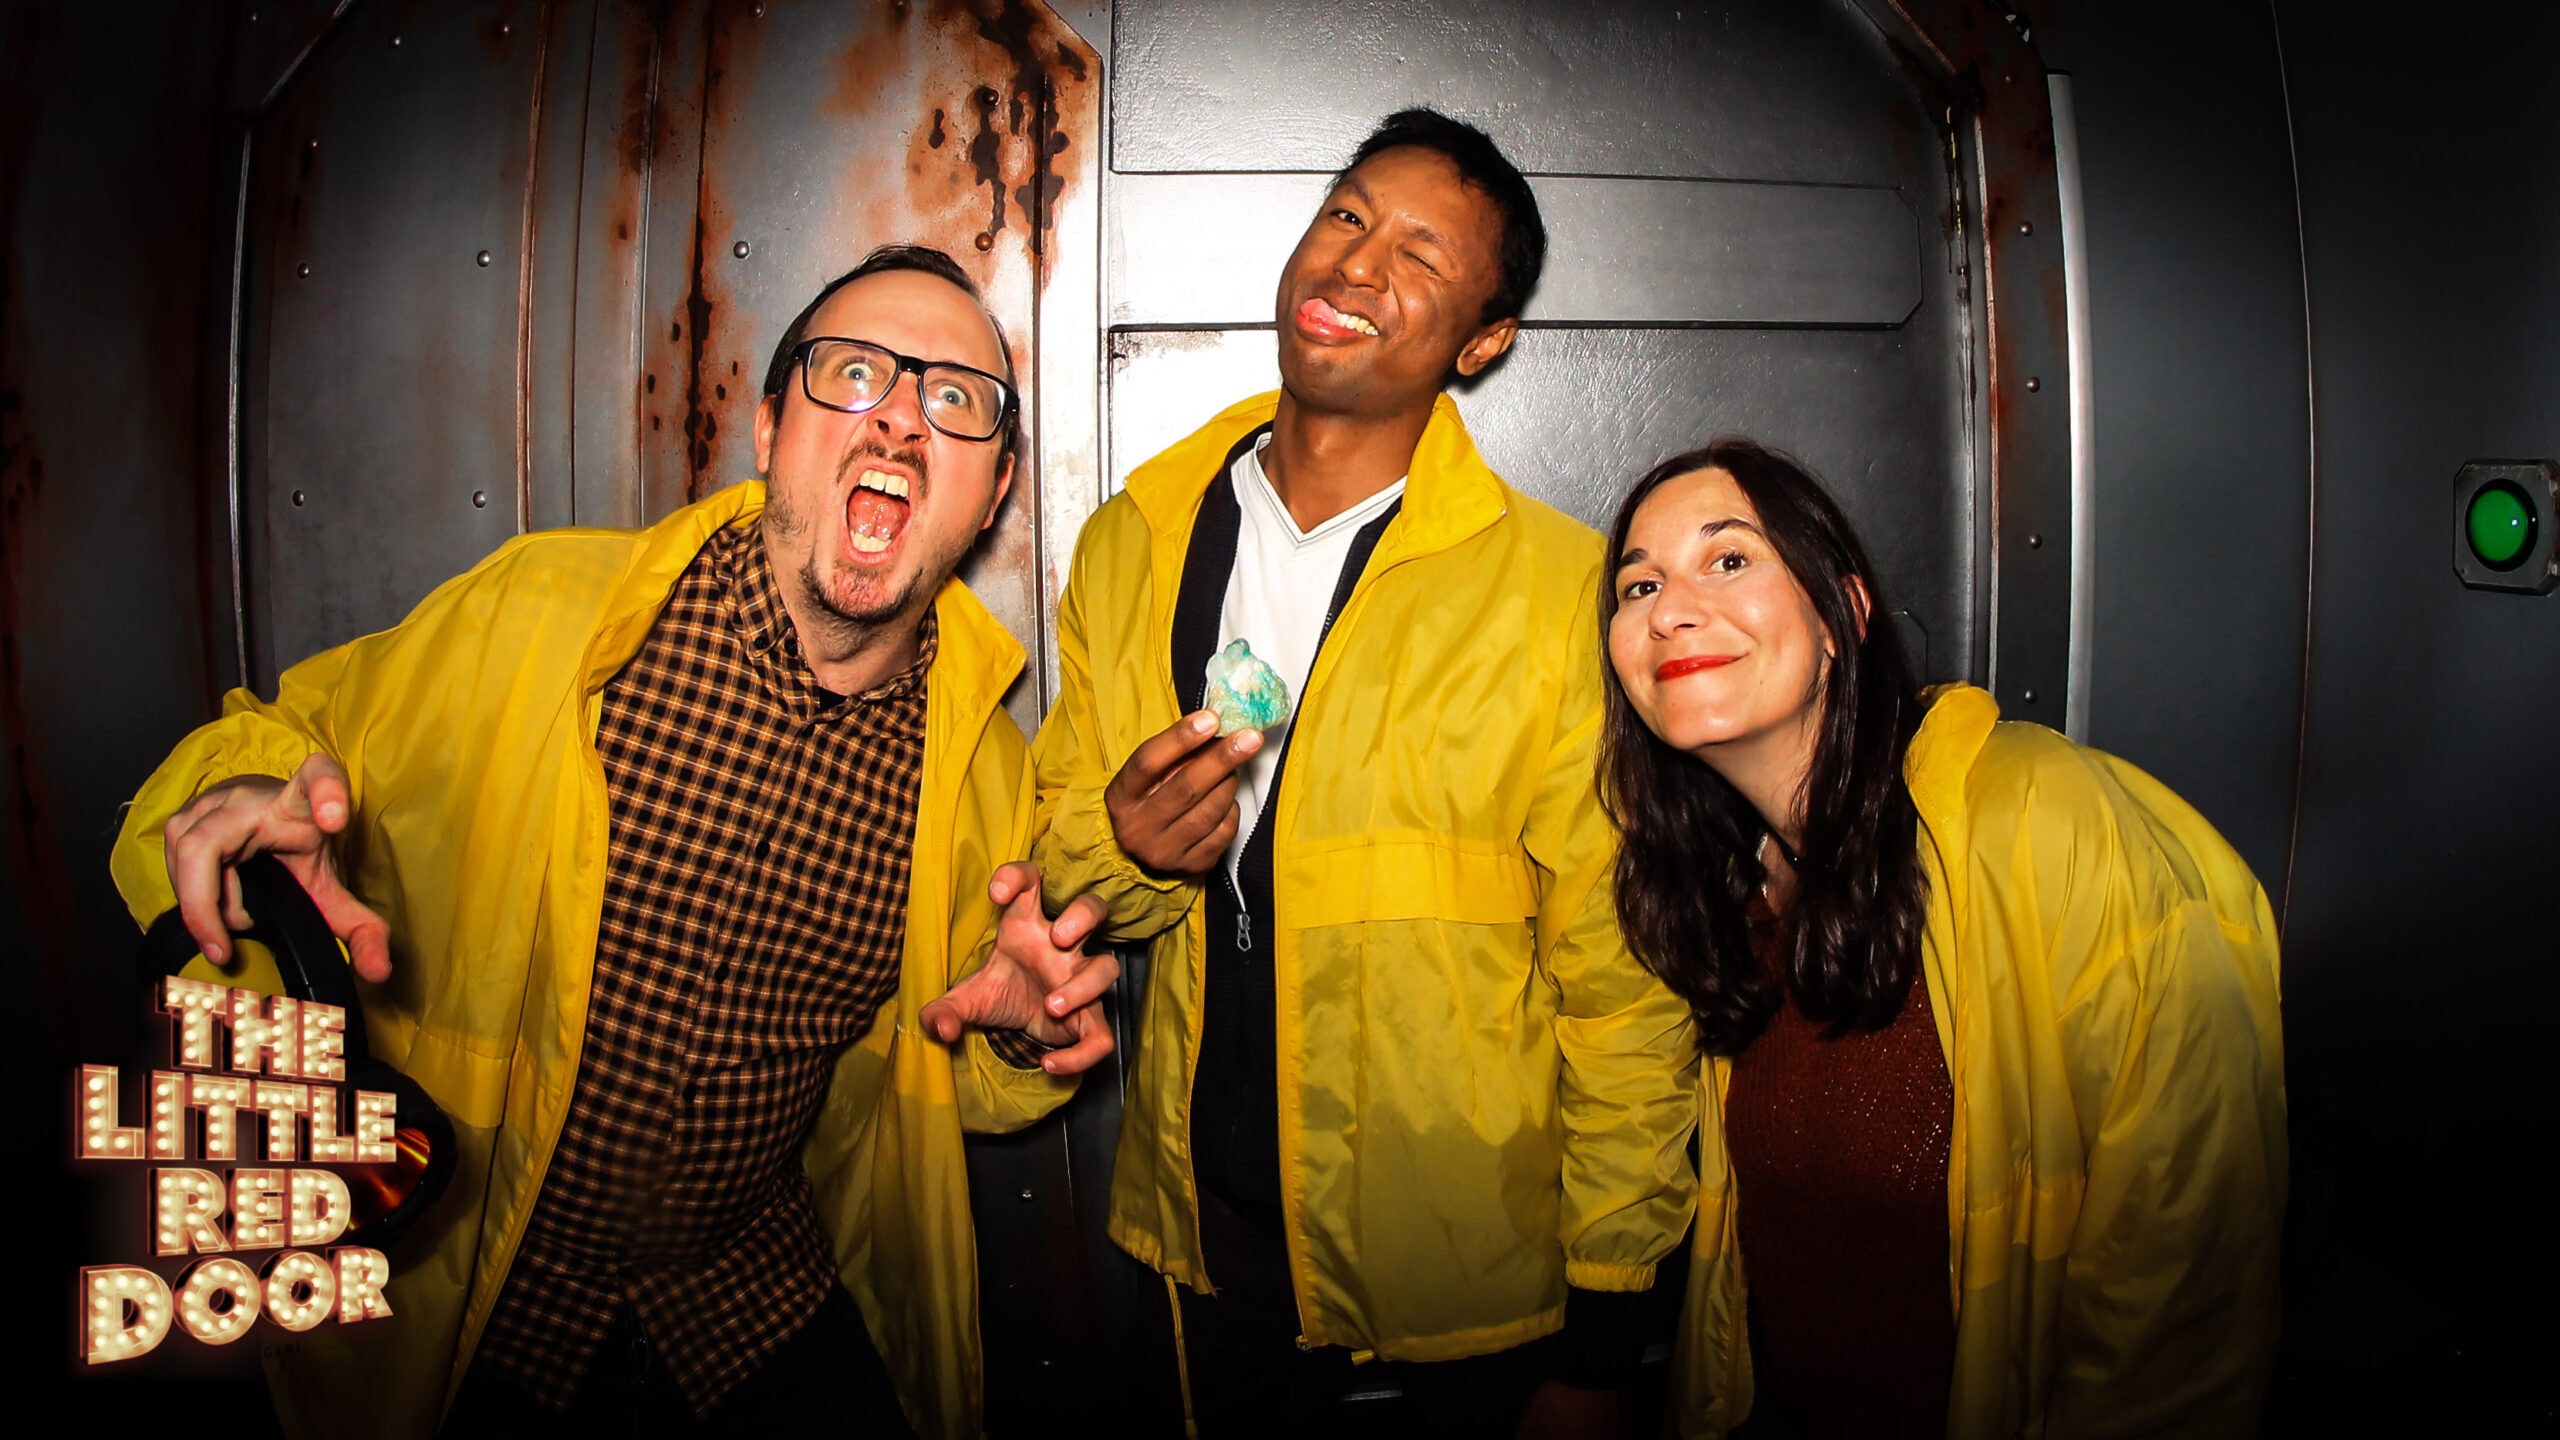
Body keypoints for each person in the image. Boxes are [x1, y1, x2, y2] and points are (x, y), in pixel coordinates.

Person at [107, 245, 1118, 1440]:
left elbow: (953, 1074)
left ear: (994, 490)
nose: (899, 415)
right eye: (853, 372)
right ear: (768, 427)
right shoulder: (541, 617)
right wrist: (243, 799)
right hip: (480, 1298)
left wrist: (1023, 1038)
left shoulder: (980, 768)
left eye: (953, 396)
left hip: (753, 1296)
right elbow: (276, 743)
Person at [1028, 110, 1699, 1437]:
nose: (1356, 264)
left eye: (1421, 255)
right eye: (1346, 216)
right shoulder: (1136, 538)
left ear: (1482, 342)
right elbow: (1063, 863)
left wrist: (1606, 1336)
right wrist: (1126, 846)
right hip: (1204, 1252)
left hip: (1474, 1286)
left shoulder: (1557, 591)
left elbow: (1625, 991)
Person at [1597, 438, 2287, 1439]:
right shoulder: (1725, 894)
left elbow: (2186, 1265)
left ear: (1844, 616)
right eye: (1640, 585)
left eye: (1729, 558)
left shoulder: (2045, 818)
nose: (1670, 609)